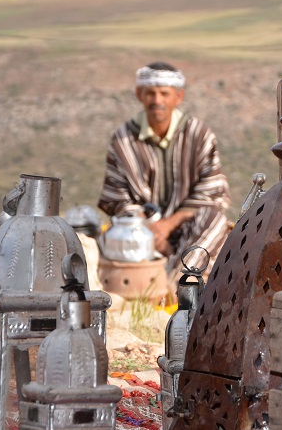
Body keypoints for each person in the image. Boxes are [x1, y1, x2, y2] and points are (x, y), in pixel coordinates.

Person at [98, 62, 231, 291]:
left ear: (178, 97)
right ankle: (168, 285)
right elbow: (116, 198)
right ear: (139, 95)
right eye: (150, 93)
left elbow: (212, 191)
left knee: (215, 220)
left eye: (164, 94)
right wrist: (148, 229)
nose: (157, 100)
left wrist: (168, 225)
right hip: (141, 230)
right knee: (106, 237)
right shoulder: (122, 140)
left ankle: (177, 285)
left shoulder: (199, 134)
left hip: (187, 226)